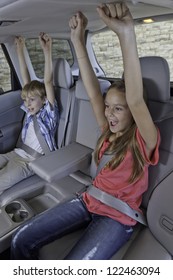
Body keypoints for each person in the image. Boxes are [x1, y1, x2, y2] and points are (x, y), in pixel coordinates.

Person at [11, 2, 160, 260]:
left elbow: (135, 99)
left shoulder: (143, 140)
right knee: (20, 239)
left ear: (134, 113)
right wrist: (77, 40)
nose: (109, 113)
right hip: (89, 200)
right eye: (108, 106)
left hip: (117, 217)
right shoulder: (106, 130)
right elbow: (93, 93)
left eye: (118, 109)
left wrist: (126, 34)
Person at [0, 33, 59, 193]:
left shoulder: (48, 114)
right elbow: (25, 81)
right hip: (16, 153)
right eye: (26, 100)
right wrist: (20, 50)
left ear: (45, 99)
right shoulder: (30, 110)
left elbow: (48, 82)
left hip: (31, 161)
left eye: (32, 100)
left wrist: (47, 51)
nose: (27, 104)